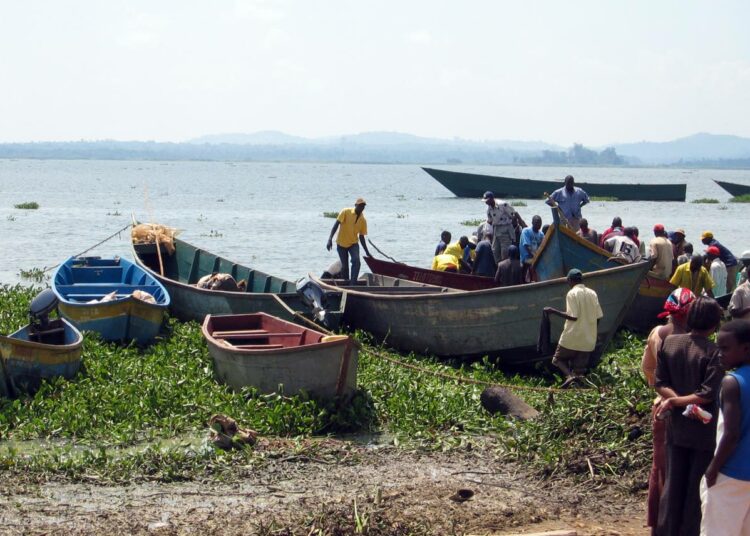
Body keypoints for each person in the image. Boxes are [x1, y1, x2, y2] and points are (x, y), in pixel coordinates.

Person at [654, 296, 724, 536]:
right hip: (703, 432)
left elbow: (660, 382)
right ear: (715, 324)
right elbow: (706, 394)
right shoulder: (714, 353)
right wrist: (679, 402)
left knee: (673, 484)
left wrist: (674, 401)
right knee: (695, 488)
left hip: (676, 428)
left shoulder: (670, 343)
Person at [641, 288, 696, 533]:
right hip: (692, 411)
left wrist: (662, 391)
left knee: (661, 467)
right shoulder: (698, 337)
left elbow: (648, 370)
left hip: (662, 408)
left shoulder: (657, 334)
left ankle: (660, 523)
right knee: (687, 464)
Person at [700, 320, 750, 536]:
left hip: (730, 473)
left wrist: (713, 469)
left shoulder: (732, 382)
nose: (719, 354)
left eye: (725, 348)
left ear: (746, 348)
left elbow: (731, 434)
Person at [544, 268, 603, 386]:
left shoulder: (572, 293)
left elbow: (573, 316)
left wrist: (553, 311)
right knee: (579, 371)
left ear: (570, 280)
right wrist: (593, 333)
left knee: (557, 360)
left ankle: (569, 376)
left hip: (572, 337)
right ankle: (576, 385)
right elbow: (598, 316)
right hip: (588, 340)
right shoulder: (592, 293)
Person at [326, 197, 372, 285]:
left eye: (363, 206)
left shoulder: (363, 220)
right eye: (360, 206)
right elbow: (336, 225)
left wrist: (367, 252)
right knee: (345, 267)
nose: (361, 208)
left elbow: (361, 237)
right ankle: (345, 284)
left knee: (356, 261)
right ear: (355, 205)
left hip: (353, 244)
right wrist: (329, 239)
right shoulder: (345, 212)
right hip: (341, 244)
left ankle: (353, 284)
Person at [483, 191, 524, 263]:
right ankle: (500, 268)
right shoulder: (489, 209)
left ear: (492, 199)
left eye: (487, 200)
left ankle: (505, 267)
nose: (486, 202)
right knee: (495, 251)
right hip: (496, 230)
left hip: (505, 228)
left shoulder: (502, 205)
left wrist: (521, 224)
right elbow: (490, 221)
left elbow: (514, 213)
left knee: (505, 252)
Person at [519, 215, 544, 282]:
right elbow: (528, 247)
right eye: (537, 222)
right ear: (532, 222)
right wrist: (536, 257)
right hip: (526, 258)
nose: (539, 224)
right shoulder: (526, 231)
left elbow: (543, 246)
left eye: (540, 223)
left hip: (536, 258)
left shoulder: (541, 234)